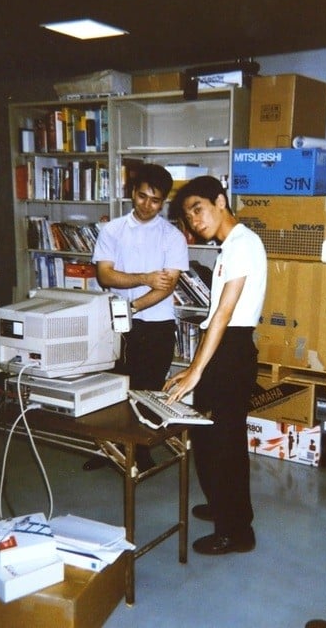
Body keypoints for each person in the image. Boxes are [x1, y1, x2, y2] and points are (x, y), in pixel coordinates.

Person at [164, 176, 267, 556]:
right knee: (218, 440)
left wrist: (196, 371)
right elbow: (218, 317)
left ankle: (235, 532)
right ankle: (229, 508)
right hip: (227, 350)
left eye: (198, 209)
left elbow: (223, 315)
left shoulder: (241, 244)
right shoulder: (233, 247)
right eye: (188, 216)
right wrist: (196, 367)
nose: (194, 221)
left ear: (220, 201)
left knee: (218, 445)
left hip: (231, 349)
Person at [86, 163, 189, 471]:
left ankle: (141, 454)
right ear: (132, 192)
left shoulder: (173, 237)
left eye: (155, 200)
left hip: (155, 325)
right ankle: (111, 450)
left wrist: (132, 307)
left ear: (164, 201)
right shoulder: (112, 230)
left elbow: (166, 286)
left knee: (147, 391)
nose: (147, 205)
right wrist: (145, 277)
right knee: (113, 388)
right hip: (115, 324)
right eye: (142, 196)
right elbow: (105, 276)